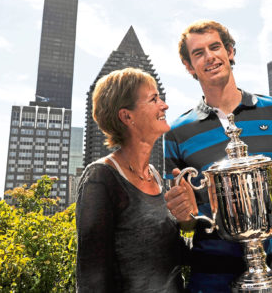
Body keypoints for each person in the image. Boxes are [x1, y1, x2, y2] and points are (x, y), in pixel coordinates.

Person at [164, 20, 272, 293]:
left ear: (230, 52)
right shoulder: (177, 132)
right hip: (211, 281)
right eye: (198, 53)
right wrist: (184, 214)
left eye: (215, 47)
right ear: (189, 67)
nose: (210, 56)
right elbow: (186, 221)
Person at [76, 67, 189, 292]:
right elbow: (92, 278)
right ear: (127, 116)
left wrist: (202, 217)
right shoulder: (100, 178)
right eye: (153, 99)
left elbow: (173, 254)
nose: (164, 105)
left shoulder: (156, 175)